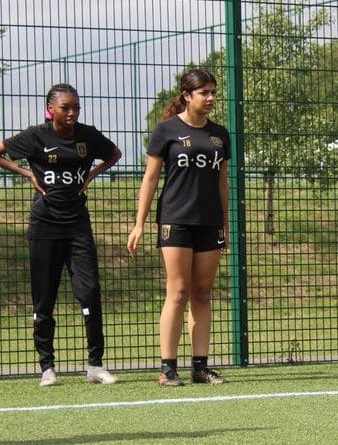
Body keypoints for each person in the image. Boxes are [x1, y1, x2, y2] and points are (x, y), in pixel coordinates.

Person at [0, 83, 122, 386]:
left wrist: (92, 175)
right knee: (45, 297)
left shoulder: (87, 135)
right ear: (50, 109)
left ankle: (95, 366)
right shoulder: (34, 136)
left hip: (77, 225)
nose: (72, 113)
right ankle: (47, 367)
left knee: (90, 292)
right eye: (66, 107)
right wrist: (27, 174)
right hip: (44, 225)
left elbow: (114, 153)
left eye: (76, 107)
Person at [127, 68, 230, 387]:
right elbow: (150, 179)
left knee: (202, 293)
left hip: (209, 223)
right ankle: (167, 368)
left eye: (214, 92)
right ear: (187, 95)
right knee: (178, 292)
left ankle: (200, 367)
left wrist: (225, 225)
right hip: (175, 221)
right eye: (205, 93)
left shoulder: (220, 134)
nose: (211, 98)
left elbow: (222, 182)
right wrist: (139, 223)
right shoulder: (166, 130)